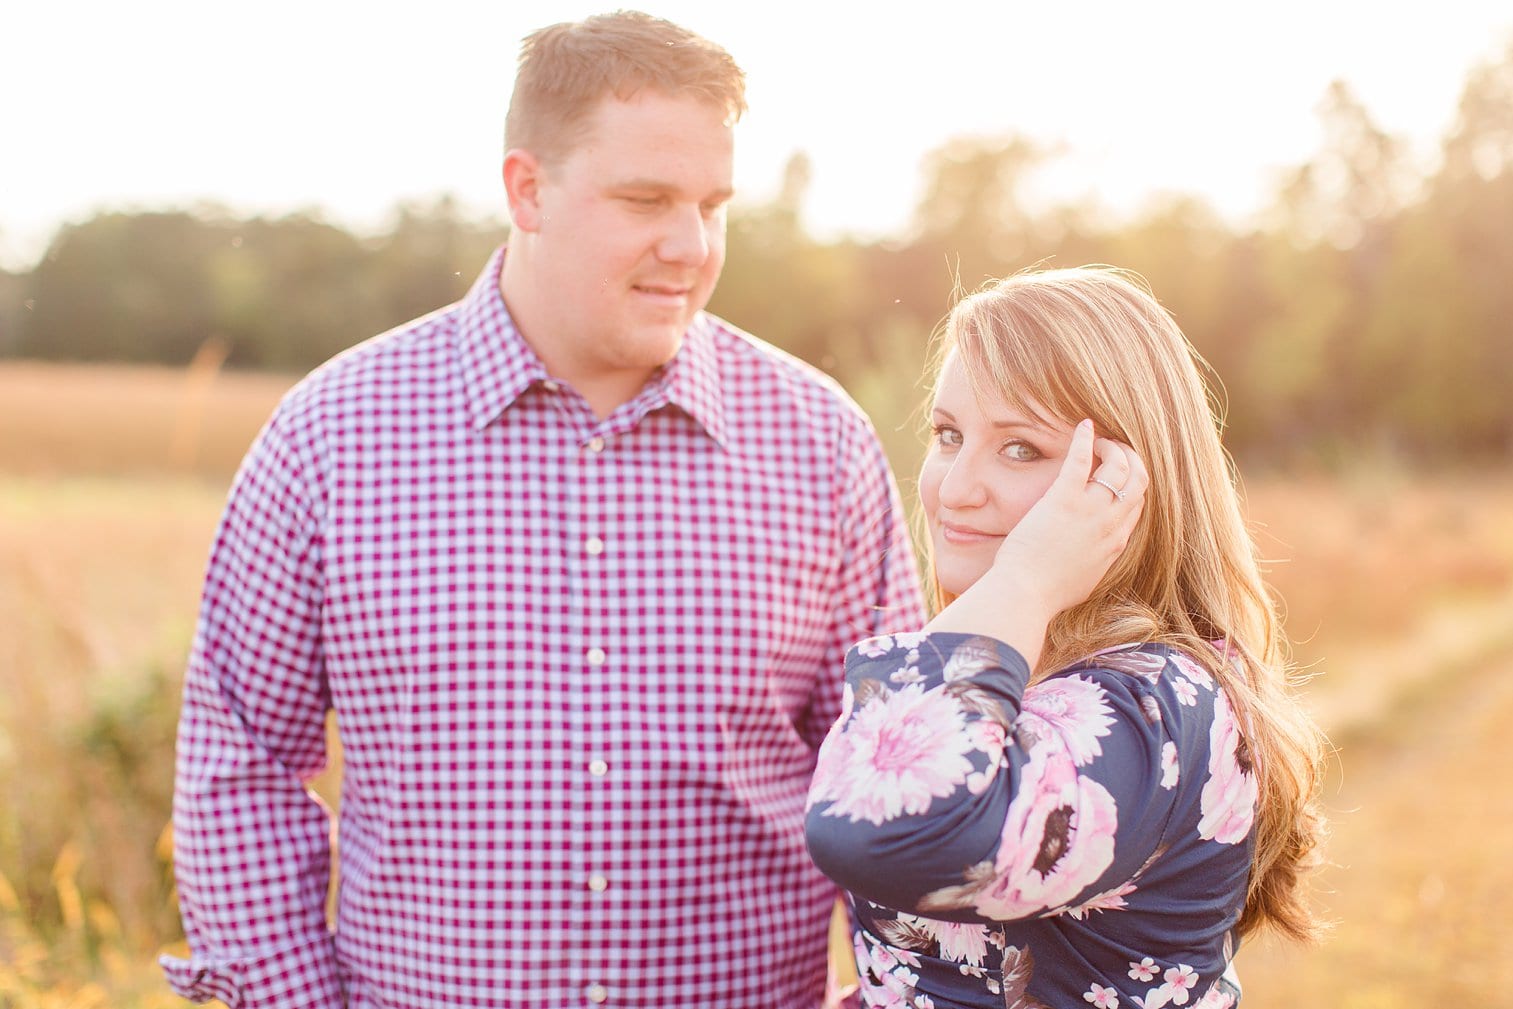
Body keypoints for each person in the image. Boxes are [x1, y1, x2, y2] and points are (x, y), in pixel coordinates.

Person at [161, 11, 924, 1008]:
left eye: (712, 202)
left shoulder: (820, 445)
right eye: (646, 198)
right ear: (527, 189)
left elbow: (900, 779)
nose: (690, 244)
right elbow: (242, 769)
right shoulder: (330, 437)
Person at [805, 267, 1327, 1008]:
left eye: (1020, 448)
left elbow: (877, 826)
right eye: (948, 435)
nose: (954, 487)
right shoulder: (1018, 663)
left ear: (1122, 484)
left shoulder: (1153, 701)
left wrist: (1023, 579)